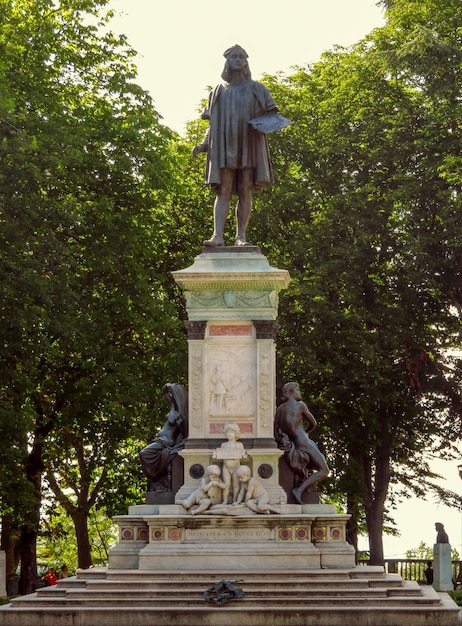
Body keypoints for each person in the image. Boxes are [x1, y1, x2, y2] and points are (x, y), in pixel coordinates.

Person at [193, 44, 278, 248]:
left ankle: (241, 236)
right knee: (224, 189)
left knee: (245, 189)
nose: (239, 60)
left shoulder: (257, 89)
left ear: (246, 61)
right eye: (234, 57)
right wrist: (204, 144)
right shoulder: (218, 92)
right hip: (224, 146)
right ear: (227, 62)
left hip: (248, 143)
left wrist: (263, 124)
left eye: (242, 57)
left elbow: (272, 115)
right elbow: (213, 123)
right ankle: (218, 235)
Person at [274, 382, 329, 504]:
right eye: (297, 390)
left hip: (293, 443)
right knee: (324, 470)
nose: (300, 392)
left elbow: (275, 429)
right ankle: (299, 490)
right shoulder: (300, 405)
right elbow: (313, 423)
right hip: (304, 442)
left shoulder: (280, 409)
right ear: (290, 392)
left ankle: (303, 487)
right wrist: (306, 433)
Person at [139, 383, 188, 492]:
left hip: (166, 442)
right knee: (145, 454)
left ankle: (155, 476)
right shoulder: (173, 407)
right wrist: (168, 386)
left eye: (174, 394)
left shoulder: (181, 414)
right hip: (160, 440)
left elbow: (185, 433)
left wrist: (181, 425)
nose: (172, 396)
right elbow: (165, 393)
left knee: (144, 453)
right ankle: (156, 479)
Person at [213, 423, 247, 504]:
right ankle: (225, 500)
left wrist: (244, 455)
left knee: (236, 485)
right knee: (226, 484)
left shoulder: (239, 445)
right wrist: (215, 455)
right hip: (226, 468)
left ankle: (235, 499)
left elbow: (242, 454)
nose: (229, 434)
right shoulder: (224, 445)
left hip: (236, 468)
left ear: (236, 434)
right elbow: (220, 454)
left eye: (231, 432)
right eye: (227, 432)